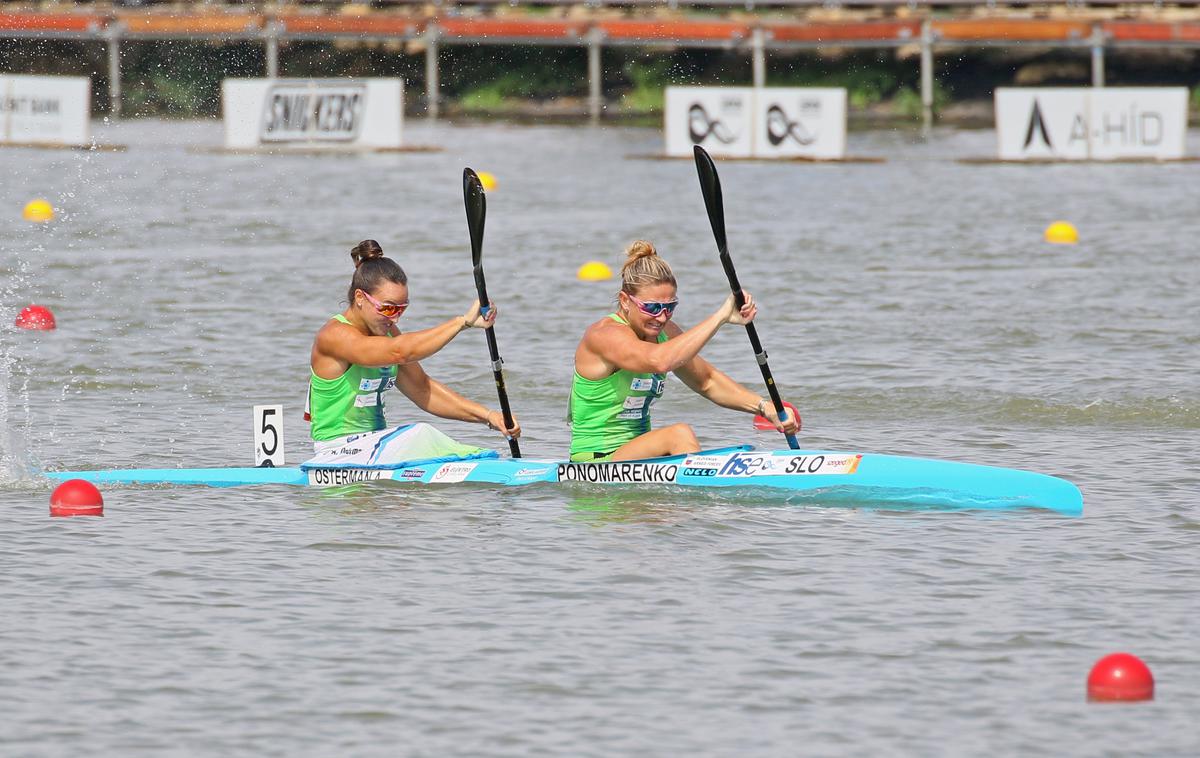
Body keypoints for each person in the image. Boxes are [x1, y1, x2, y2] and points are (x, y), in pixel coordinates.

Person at [569, 240, 798, 462]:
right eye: (652, 307)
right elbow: (659, 361)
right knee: (679, 434)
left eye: (670, 307)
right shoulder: (605, 335)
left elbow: (707, 381)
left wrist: (764, 407)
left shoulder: (664, 332)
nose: (661, 316)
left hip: (638, 458)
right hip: (595, 461)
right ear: (625, 301)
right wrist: (721, 317)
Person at [308, 239, 520, 453]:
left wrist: (489, 416)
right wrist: (461, 322)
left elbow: (423, 389)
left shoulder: (387, 332)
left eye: (402, 309)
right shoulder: (335, 336)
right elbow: (400, 352)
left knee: (448, 446)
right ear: (360, 297)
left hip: (374, 448)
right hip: (336, 452)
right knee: (420, 433)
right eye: (389, 309)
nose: (396, 319)